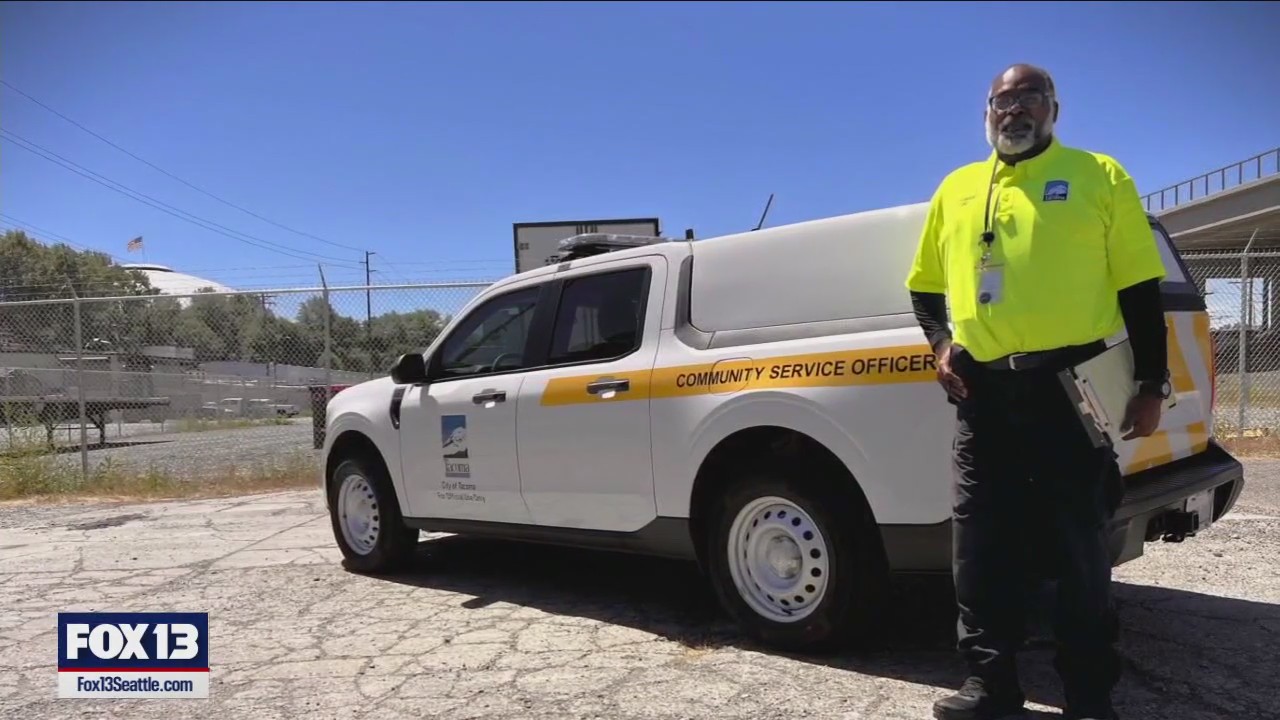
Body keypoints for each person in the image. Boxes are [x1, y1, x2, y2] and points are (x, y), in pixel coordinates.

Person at [904, 64, 1172, 720]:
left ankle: (1088, 695)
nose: (1013, 109)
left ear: (1054, 108)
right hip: (983, 396)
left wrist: (1150, 382)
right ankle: (990, 686)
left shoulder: (1099, 176)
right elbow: (923, 285)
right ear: (986, 113)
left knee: (1079, 546)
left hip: (1068, 390)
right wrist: (940, 344)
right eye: (1001, 99)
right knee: (979, 545)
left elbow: (1140, 288)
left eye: (1028, 97)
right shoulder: (957, 189)